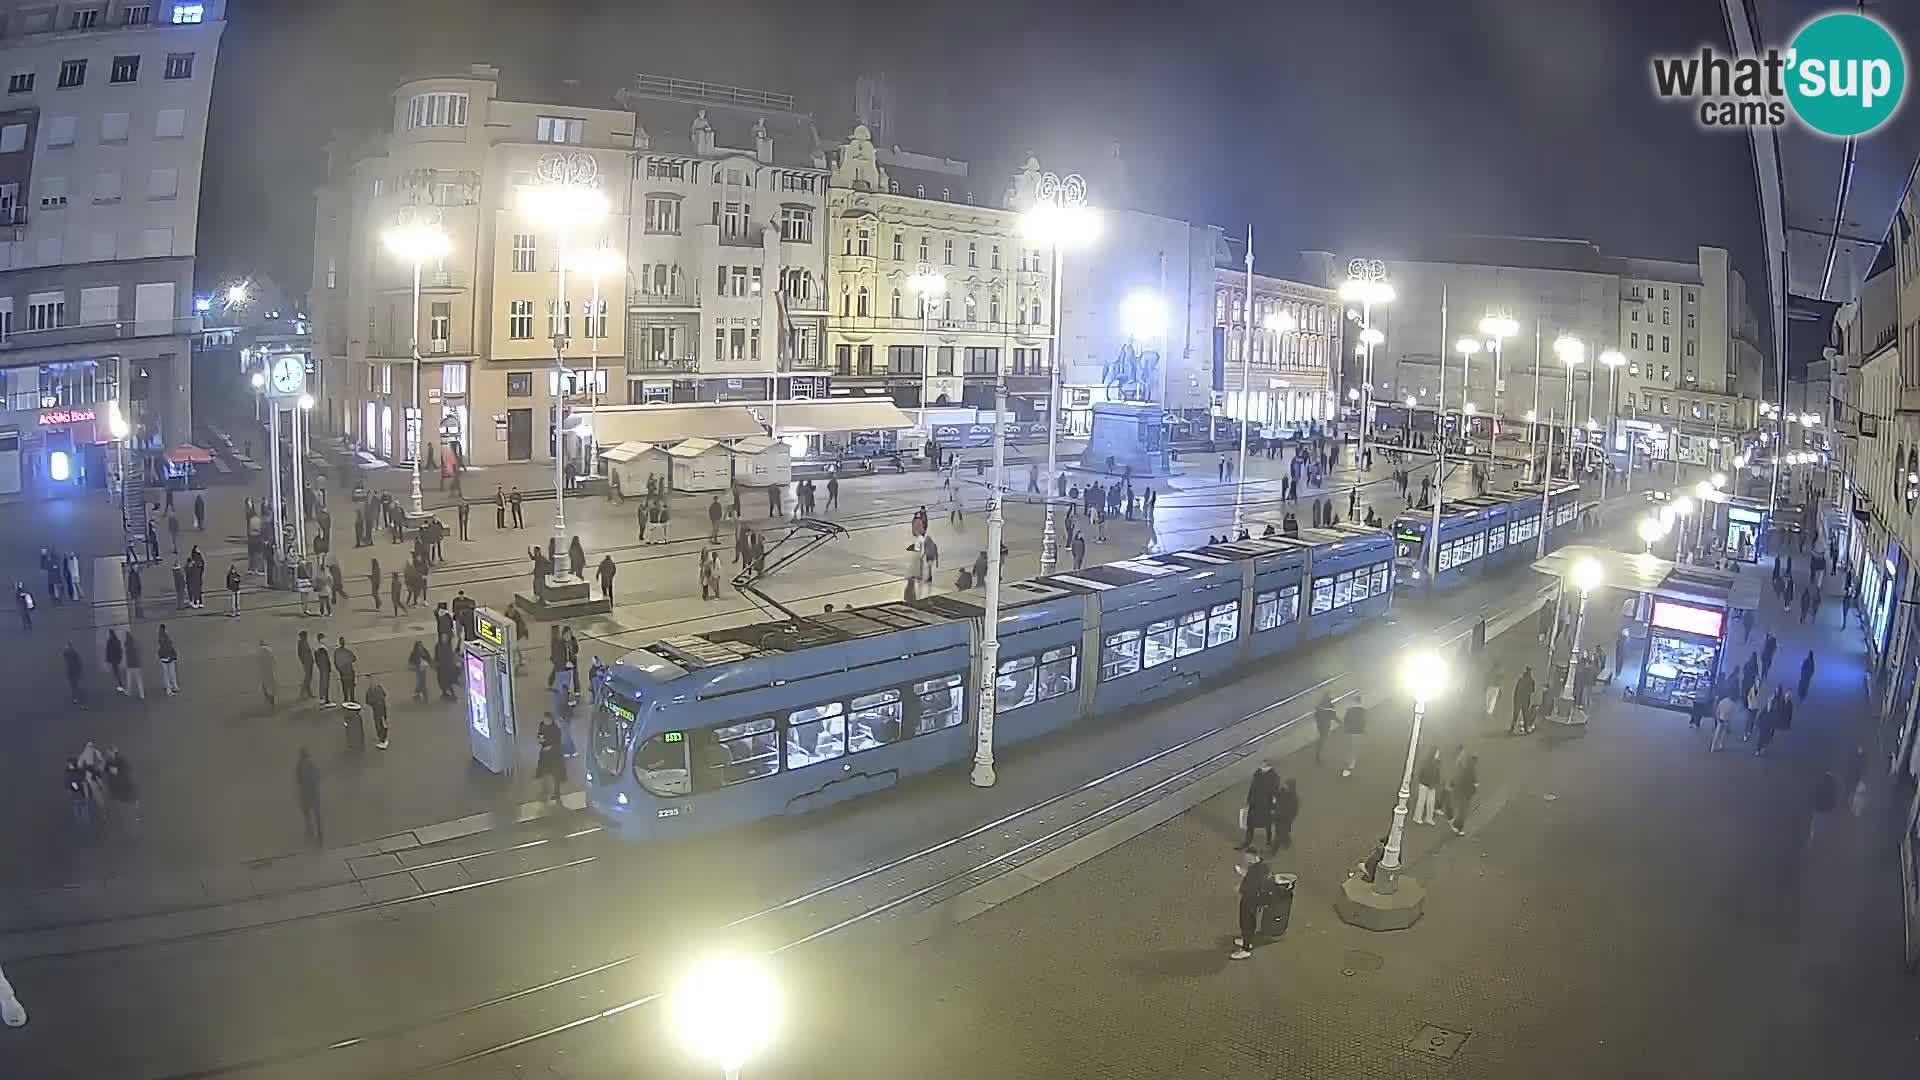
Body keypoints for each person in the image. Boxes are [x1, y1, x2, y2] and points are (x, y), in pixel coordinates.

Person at [1230, 854, 1274, 960]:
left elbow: (1252, 883)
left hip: (1250, 900)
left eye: (1248, 857)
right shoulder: (1262, 867)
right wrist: (1243, 873)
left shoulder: (1256, 869)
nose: (1246, 859)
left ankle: (1245, 949)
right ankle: (1247, 940)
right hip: (1255, 900)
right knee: (1250, 921)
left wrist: (1240, 888)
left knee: (1246, 922)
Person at [1239, 761, 1279, 853]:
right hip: (1255, 802)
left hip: (1266, 803)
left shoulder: (1274, 776)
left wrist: (1274, 802)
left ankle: (1269, 841)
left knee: (1267, 823)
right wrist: (1249, 799)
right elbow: (1252, 787)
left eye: (1264, 765)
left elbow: (1275, 790)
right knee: (1250, 823)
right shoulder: (1257, 773)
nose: (1261, 766)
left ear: (1269, 766)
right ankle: (1247, 841)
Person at [295, 748, 323, 846]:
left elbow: (299, 781)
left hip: (309, 793)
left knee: (311, 814)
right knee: (312, 814)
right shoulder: (309, 766)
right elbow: (316, 777)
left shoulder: (302, 766)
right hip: (311, 793)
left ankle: (315, 833)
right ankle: (315, 833)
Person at [537, 713, 566, 801]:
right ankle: (545, 789)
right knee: (544, 771)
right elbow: (539, 734)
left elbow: (557, 742)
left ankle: (556, 793)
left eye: (547, 720)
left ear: (551, 720)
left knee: (555, 774)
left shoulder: (556, 729)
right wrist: (540, 739)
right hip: (545, 753)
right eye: (545, 720)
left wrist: (549, 747)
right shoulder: (542, 725)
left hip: (554, 755)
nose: (545, 722)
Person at [1448, 755, 1478, 835]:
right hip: (1466, 794)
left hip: (1462, 793)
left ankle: (1456, 825)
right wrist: (1475, 786)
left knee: (1462, 811)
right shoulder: (1471, 771)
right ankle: (1457, 827)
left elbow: (1458, 779)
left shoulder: (1465, 769)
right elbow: (1474, 783)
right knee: (1463, 812)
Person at [1341, 692, 1368, 777]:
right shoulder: (1363, 711)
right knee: (1355, 748)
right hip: (1359, 732)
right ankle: (1352, 764)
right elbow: (1364, 722)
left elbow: (1345, 721)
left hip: (1350, 732)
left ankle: (1348, 768)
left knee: (1349, 749)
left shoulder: (1349, 710)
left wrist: (1346, 729)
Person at [1414, 748, 1442, 824]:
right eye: (1437, 753)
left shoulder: (1436, 762)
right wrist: (1432, 783)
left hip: (1430, 785)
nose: (1438, 754)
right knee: (1422, 801)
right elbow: (1426, 773)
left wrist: (1435, 783)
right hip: (1425, 784)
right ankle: (1417, 817)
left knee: (1430, 802)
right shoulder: (1430, 762)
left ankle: (1428, 818)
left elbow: (1437, 774)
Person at [1510, 667, 1537, 734]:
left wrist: (1515, 699)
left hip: (1519, 699)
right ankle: (1526, 729)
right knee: (1525, 715)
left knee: (1516, 714)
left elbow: (1516, 691)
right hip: (1525, 700)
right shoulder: (1531, 681)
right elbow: (1532, 691)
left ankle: (1512, 729)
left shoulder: (1521, 680)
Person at [366, 680, 390, 750]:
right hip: (382, 709)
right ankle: (383, 738)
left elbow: (368, 702)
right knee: (383, 724)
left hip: (377, 711)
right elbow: (384, 695)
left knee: (379, 725)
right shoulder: (379, 688)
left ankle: (383, 740)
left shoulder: (370, 691)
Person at [123, 629, 146, 699]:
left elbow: (126, 655)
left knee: (129, 680)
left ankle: (129, 692)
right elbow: (139, 651)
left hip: (130, 665)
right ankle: (142, 694)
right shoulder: (135, 644)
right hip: (137, 664)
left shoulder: (126, 645)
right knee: (139, 680)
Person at [334, 637, 358, 704]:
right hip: (349, 671)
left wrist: (340, 670)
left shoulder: (337, 652)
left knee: (344, 687)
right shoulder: (348, 652)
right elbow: (354, 659)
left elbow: (336, 663)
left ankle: (346, 700)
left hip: (343, 672)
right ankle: (352, 700)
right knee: (351, 687)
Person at [1313, 694, 1336, 763]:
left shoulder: (1320, 706)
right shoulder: (1330, 706)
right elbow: (1333, 716)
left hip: (1320, 725)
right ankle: (1318, 754)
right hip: (1325, 725)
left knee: (1323, 738)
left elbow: (1315, 716)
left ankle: (1319, 753)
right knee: (1323, 738)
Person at [62, 640, 84, 706]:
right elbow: (79, 661)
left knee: (72, 683)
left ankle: (74, 696)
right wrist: (80, 669)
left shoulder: (66, 652)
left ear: (67, 645)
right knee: (75, 682)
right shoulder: (75, 651)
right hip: (75, 669)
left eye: (66, 645)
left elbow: (65, 656)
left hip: (70, 669)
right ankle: (76, 693)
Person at [313, 636, 333, 707]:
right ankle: (326, 699)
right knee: (325, 683)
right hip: (325, 668)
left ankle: (322, 698)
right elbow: (326, 659)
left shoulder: (317, 648)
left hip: (321, 668)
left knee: (322, 682)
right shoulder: (322, 648)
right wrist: (328, 667)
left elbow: (316, 659)